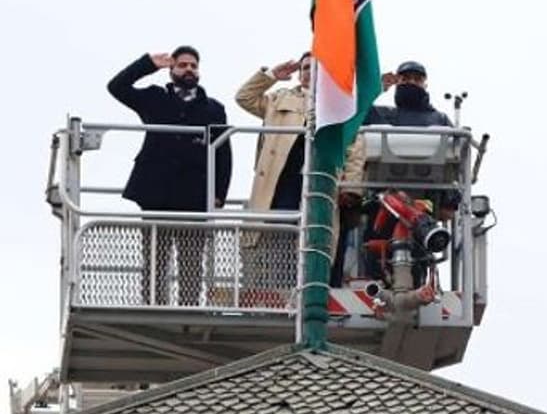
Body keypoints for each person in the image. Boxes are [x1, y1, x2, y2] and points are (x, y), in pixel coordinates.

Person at [235, 52, 365, 301]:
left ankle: (313, 293)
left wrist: (351, 187)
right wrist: (271, 76)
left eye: (316, 68)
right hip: (280, 184)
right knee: (279, 239)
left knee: (317, 239)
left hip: (321, 183)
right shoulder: (279, 98)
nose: (309, 72)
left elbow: (355, 148)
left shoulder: (338, 105)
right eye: (305, 67)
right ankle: (281, 293)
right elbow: (244, 98)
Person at [107, 47, 232, 307]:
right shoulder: (154, 98)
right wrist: (148, 64)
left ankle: (189, 310)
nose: (189, 70)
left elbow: (223, 152)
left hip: (194, 195)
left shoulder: (213, 108)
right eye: (182, 65)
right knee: (155, 258)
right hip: (156, 192)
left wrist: (219, 193)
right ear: (172, 69)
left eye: (193, 66)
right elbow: (117, 87)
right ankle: (152, 305)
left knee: (191, 262)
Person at [365, 60, 453, 127]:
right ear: (396, 83)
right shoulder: (380, 114)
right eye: (405, 78)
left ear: (425, 85)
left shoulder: (440, 119)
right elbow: (358, 110)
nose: (411, 82)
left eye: (417, 79)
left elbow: (457, 142)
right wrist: (375, 88)